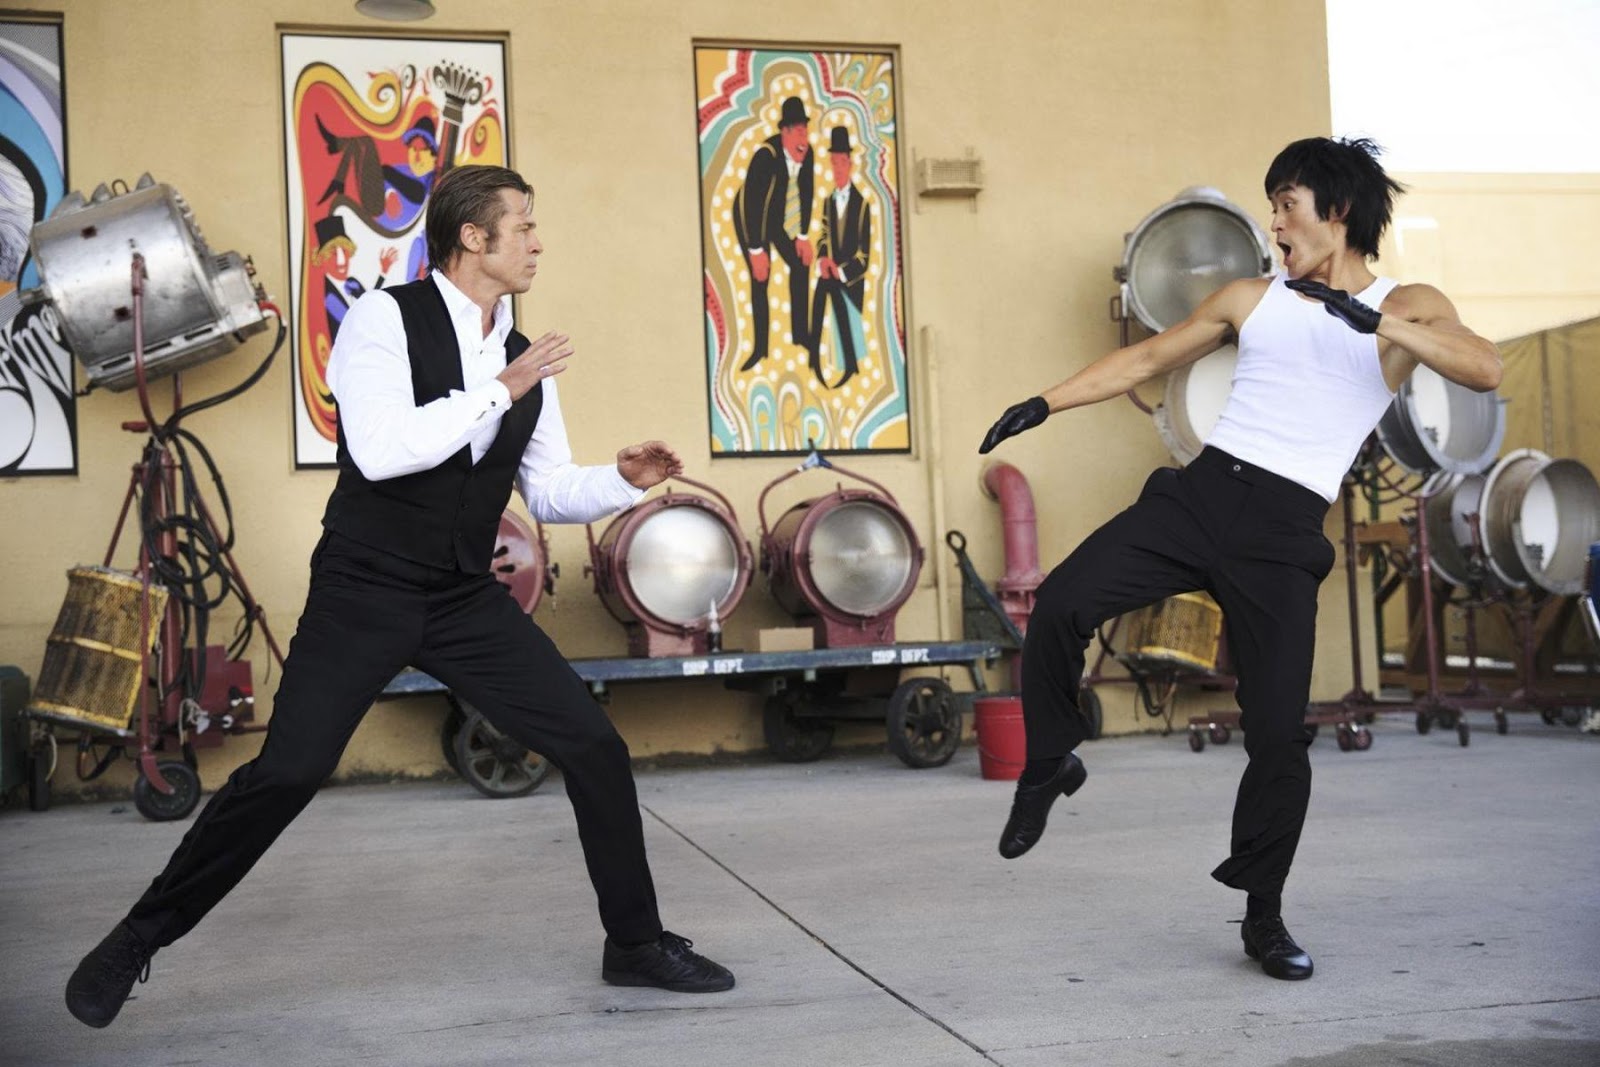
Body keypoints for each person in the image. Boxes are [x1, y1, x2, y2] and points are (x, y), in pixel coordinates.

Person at [65, 164, 735, 1029]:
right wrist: (502, 387)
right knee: (288, 772)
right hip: (364, 587)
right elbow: (383, 451)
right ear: (473, 239)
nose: (538, 243)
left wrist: (622, 479)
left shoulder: (523, 357)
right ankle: (135, 940)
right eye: (524, 226)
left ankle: (635, 943)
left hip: (462, 595)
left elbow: (548, 490)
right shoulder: (384, 319)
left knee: (594, 744)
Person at [979, 137, 1501, 981]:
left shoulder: (1405, 304)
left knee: (1278, 735)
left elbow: (1485, 366)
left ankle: (1264, 916)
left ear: (1337, 211)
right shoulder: (1253, 297)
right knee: (1064, 600)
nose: (1274, 224)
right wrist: (1044, 402)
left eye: (1286, 205)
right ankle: (1050, 760)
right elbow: (1147, 357)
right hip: (1202, 497)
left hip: (1285, 533)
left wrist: (1376, 323)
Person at [732, 95, 815, 372]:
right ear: (785, 133)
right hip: (751, 218)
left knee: (801, 262)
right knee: (761, 276)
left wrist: (802, 235)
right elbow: (751, 204)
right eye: (799, 132)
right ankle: (760, 348)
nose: (804, 139)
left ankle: (801, 335)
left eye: (806, 131)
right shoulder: (765, 156)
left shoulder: (808, 153)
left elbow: (807, 193)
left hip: (779, 216)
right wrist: (756, 251)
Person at [807, 125, 872, 389]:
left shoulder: (862, 205)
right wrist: (823, 259)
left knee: (847, 336)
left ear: (850, 164)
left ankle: (849, 368)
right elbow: (824, 235)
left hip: (851, 283)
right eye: (833, 163)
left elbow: (864, 256)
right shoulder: (828, 201)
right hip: (831, 277)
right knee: (820, 303)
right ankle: (814, 358)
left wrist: (841, 270)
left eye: (841, 162)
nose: (837, 169)